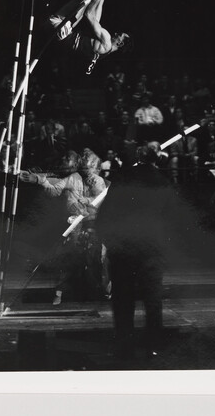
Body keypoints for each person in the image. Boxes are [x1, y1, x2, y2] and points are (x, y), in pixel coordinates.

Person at [97, 142, 174, 360]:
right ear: (156, 158)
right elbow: (171, 219)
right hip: (151, 248)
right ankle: (154, 346)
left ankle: (124, 347)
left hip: (124, 247)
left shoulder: (123, 178)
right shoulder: (163, 181)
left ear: (138, 157)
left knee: (122, 299)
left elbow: (107, 212)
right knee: (152, 299)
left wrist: (108, 242)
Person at [19, 149, 108, 305]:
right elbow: (54, 191)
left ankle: (102, 292)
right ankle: (60, 293)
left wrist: (88, 199)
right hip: (74, 225)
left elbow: (99, 199)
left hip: (92, 225)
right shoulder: (73, 178)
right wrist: (41, 181)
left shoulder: (98, 181)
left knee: (96, 259)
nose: (87, 170)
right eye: (85, 167)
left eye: (91, 167)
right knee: (69, 258)